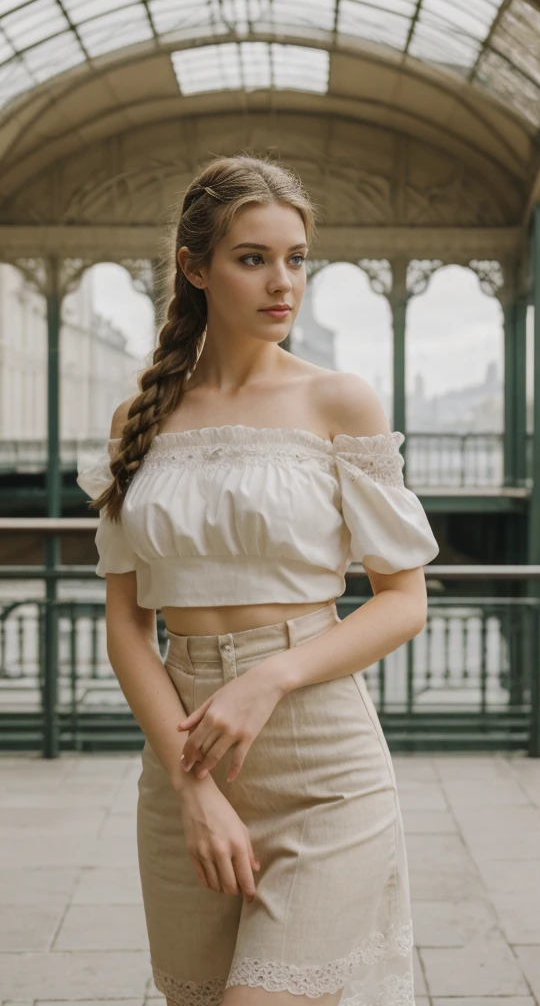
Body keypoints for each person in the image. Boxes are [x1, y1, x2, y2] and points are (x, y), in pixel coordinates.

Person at [77, 154, 439, 1006]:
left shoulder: (339, 402)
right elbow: (128, 625)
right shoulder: (141, 419)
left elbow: (403, 601)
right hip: (185, 761)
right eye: (253, 258)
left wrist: (267, 679)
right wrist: (190, 784)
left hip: (322, 760)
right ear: (195, 268)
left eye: (297, 258)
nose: (284, 283)